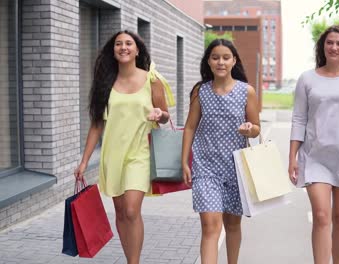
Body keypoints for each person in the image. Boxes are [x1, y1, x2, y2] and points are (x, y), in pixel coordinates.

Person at [74, 30, 171, 264]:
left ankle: (134, 261)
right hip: (112, 155)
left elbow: (166, 116)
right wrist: (84, 161)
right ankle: (130, 259)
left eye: (129, 43)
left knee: (131, 210)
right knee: (119, 212)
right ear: (113, 51)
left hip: (141, 153)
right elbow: (97, 124)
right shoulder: (106, 84)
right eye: (118, 44)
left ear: (138, 50)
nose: (123, 47)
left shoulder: (152, 79)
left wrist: (160, 115)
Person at [288, 25, 339, 264]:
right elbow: (299, 119)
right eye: (329, 42)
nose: (334, 47)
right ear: (322, 47)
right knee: (322, 216)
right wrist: (292, 157)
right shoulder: (307, 78)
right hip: (315, 157)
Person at [181, 39, 260, 264]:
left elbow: (256, 129)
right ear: (209, 61)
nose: (221, 62)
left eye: (226, 57)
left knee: (233, 225)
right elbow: (190, 126)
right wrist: (185, 161)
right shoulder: (201, 91)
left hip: (236, 168)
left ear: (234, 61)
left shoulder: (247, 91)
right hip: (206, 168)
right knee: (210, 225)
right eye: (215, 57)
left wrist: (249, 129)